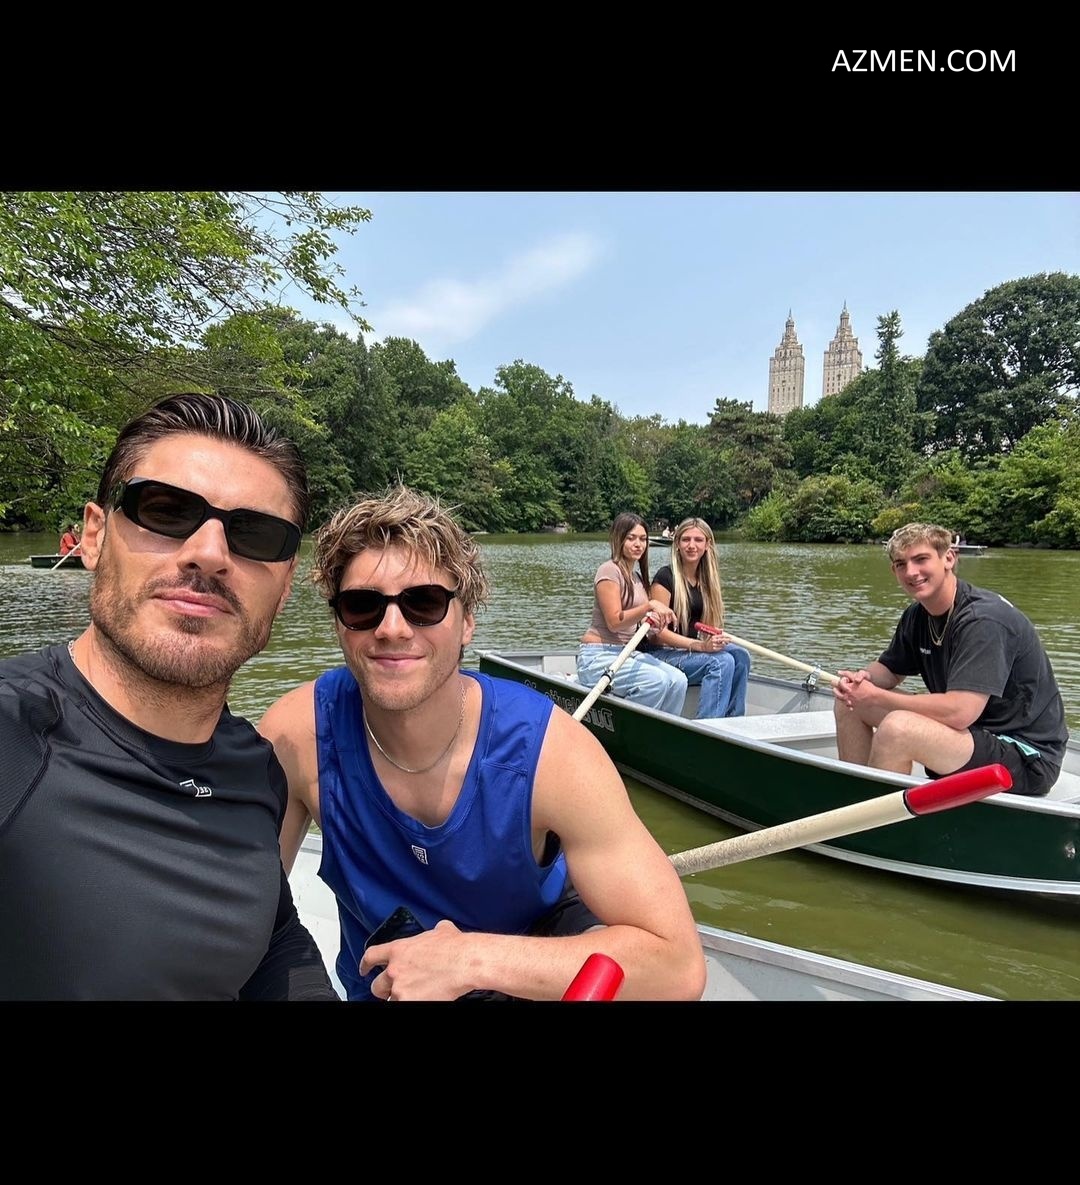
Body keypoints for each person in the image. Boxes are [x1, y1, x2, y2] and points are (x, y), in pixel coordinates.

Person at [258, 486, 706, 1002]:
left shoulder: (553, 753)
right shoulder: (298, 736)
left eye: (424, 603)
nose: (391, 628)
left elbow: (676, 965)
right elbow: (251, 924)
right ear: (339, 623)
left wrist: (469, 960)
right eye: (362, 606)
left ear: (467, 621)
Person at [0, 392, 337, 1000]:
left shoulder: (254, 766)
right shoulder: (13, 736)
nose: (209, 554)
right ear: (94, 537)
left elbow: (271, 942)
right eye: (165, 510)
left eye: (254, 534)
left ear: (285, 586)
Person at [833, 522, 1068, 797]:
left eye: (921, 559)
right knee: (850, 701)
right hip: (970, 735)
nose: (911, 572)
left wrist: (877, 697)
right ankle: (856, 802)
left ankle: (876, 819)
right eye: (901, 564)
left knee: (898, 728)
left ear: (949, 558)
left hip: (1025, 756)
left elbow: (960, 712)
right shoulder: (917, 615)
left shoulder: (983, 620)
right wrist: (863, 679)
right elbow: (890, 670)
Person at [575, 513, 688, 714]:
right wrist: (649, 606)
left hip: (626, 653)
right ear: (618, 539)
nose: (638, 544)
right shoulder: (609, 571)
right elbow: (614, 622)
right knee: (656, 681)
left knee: (678, 680)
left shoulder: (636, 577)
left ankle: (660, 730)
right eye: (631, 538)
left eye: (643, 539)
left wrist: (653, 624)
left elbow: (637, 623)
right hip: (598, 655)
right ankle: (635, 729)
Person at [647, 517, 751, 718]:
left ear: (707, 545)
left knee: (740, 656)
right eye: (686, 539)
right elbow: (657, 635)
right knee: (721, 662)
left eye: (698, 540)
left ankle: (733, 720)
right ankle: (709, 725)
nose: (691, 545)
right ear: (677, 544)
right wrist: (700, 646)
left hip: (689, 651)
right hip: (661, 653)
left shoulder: (706, 579)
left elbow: (705, 628)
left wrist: (714, 640)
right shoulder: (665, 577)